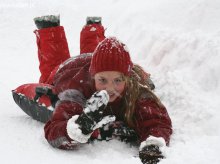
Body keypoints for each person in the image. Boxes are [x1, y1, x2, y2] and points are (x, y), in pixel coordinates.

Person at [13, 15, 172, 164]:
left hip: (95, 58)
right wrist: (77, 128)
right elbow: (53, 130)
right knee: (51, 68)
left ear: (127, 79)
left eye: (118, 80)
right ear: (93, 77)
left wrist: (153, 143)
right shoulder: (76, 90)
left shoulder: (134, 88)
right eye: (102, 80)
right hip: (67, 69)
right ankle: (49, 29)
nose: (110, 88)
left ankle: (93, 28)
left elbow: (157, 121)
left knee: (98, 53)